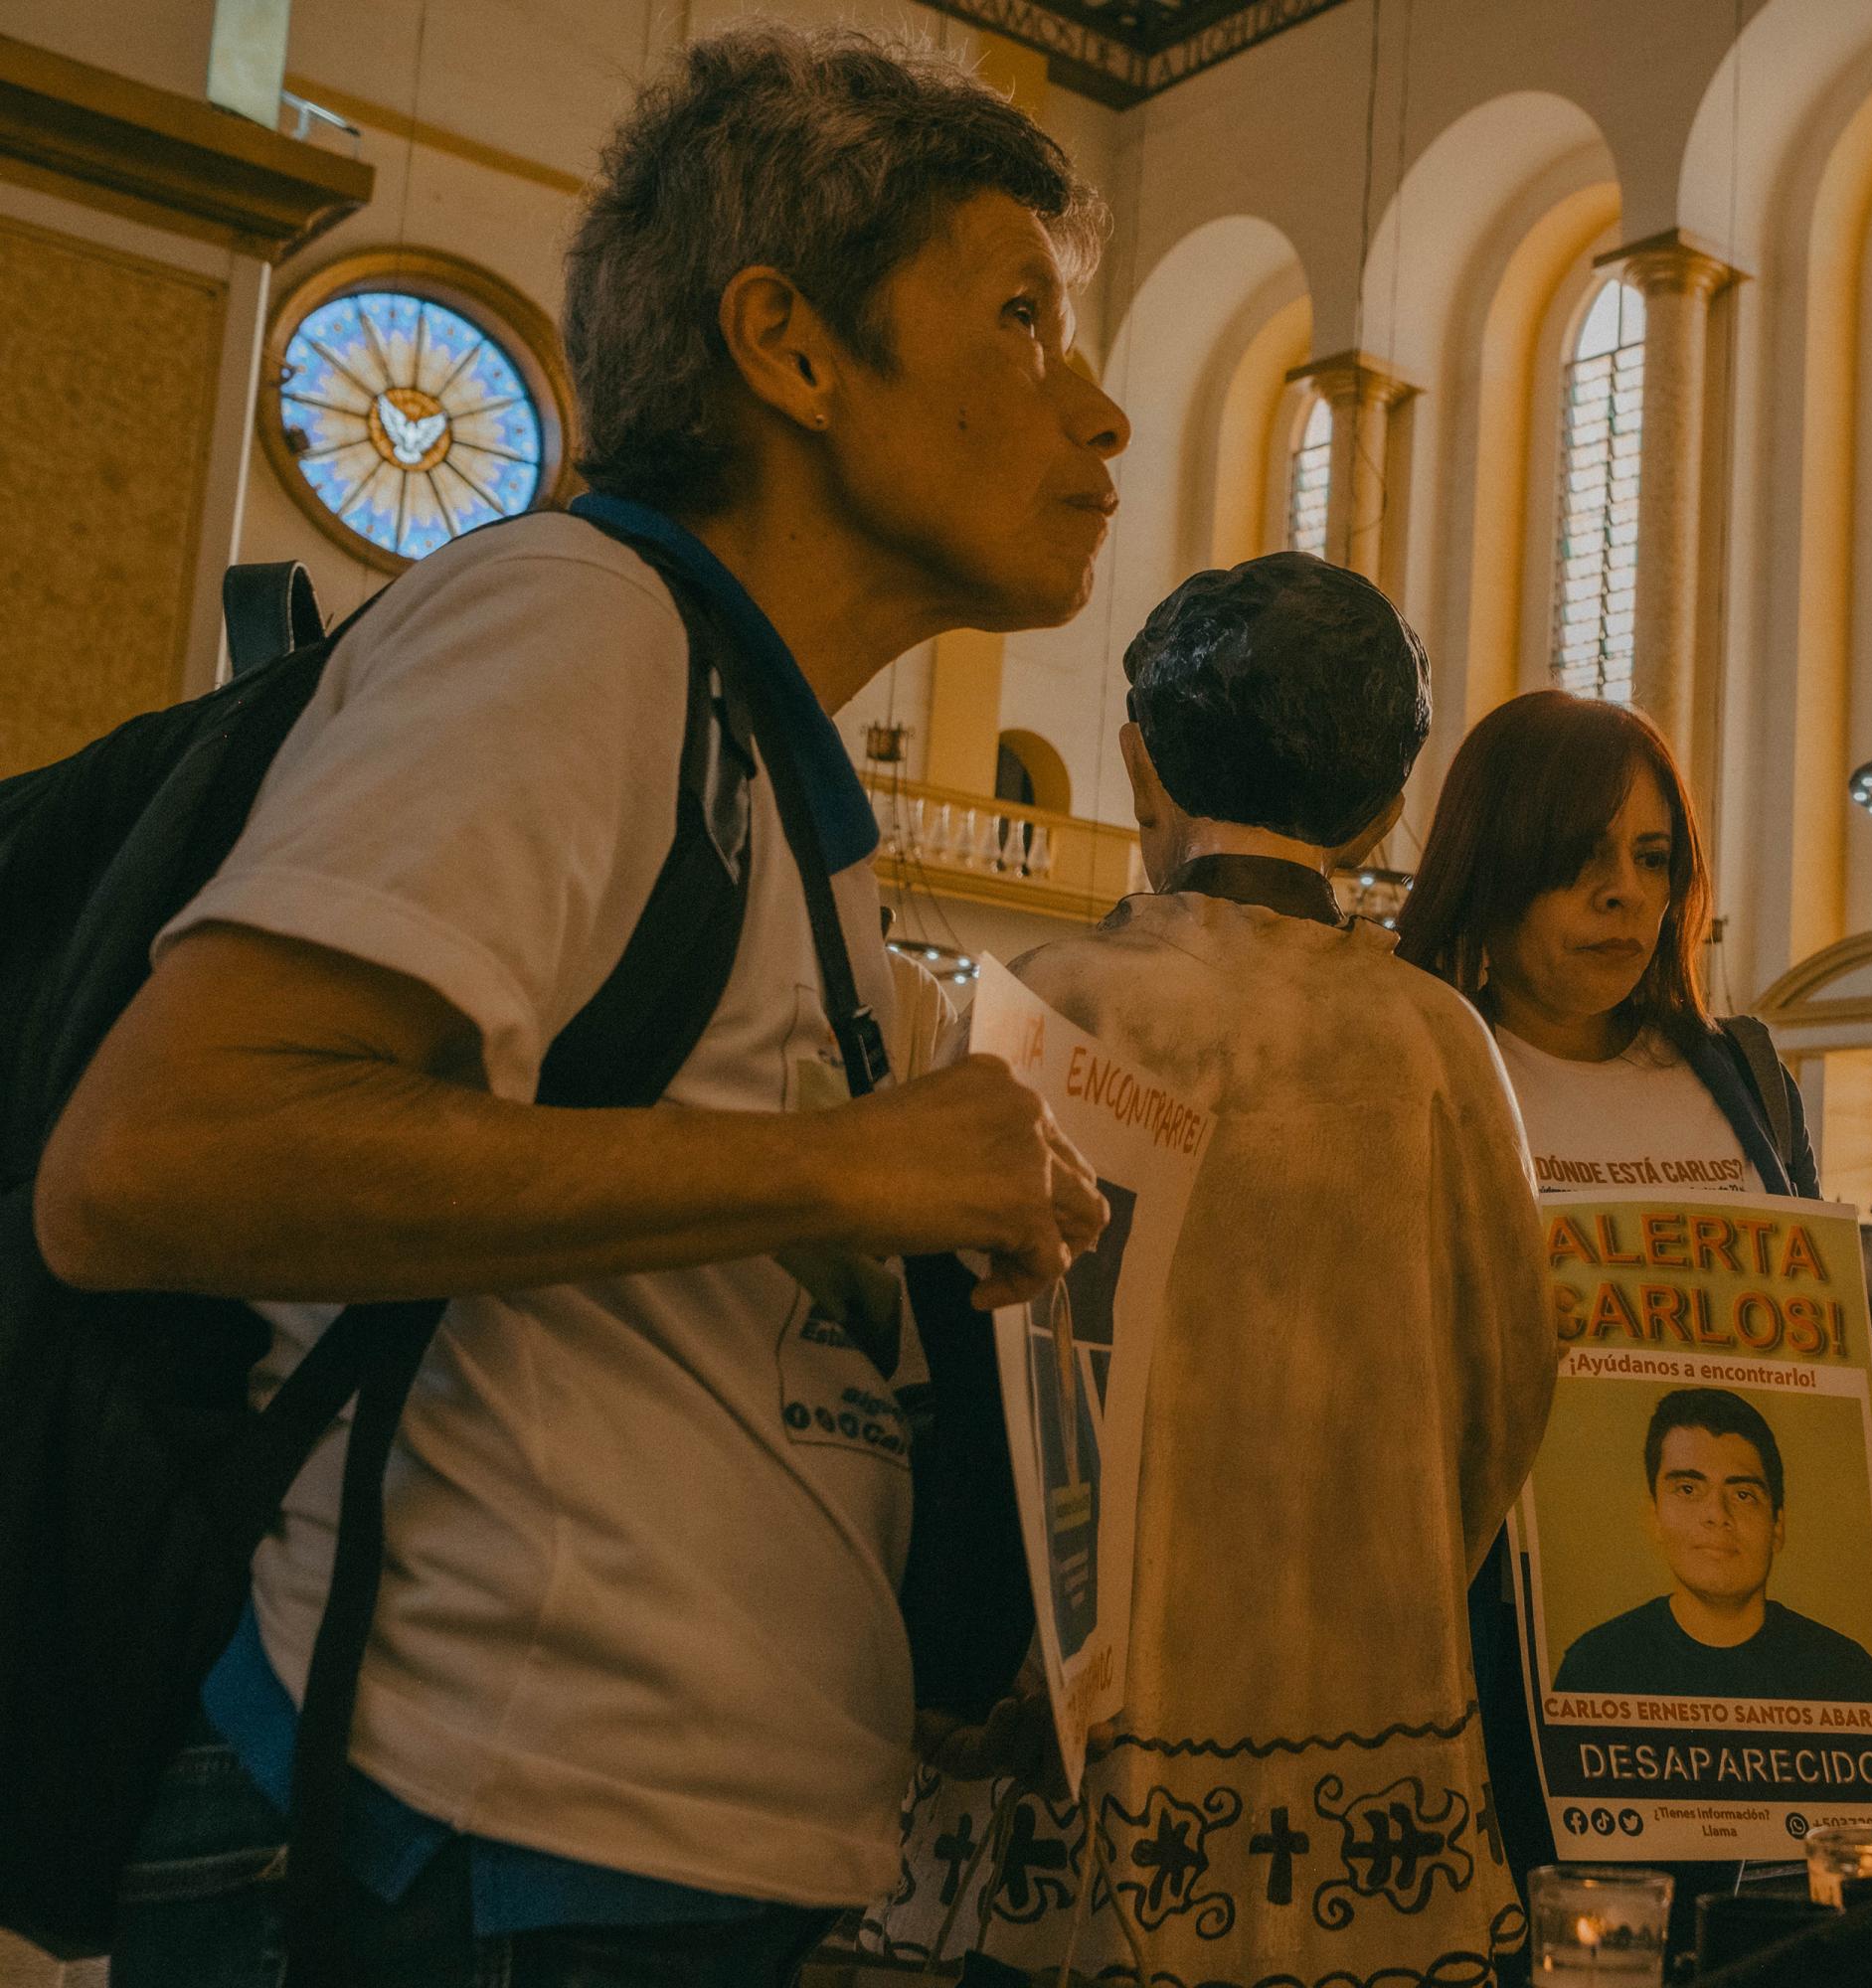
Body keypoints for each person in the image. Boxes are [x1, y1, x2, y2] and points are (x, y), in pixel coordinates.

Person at [33, 27, 1120, 1984]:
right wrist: (836, 1173)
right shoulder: (579, 622)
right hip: (447, 1854)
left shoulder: (774, 766)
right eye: (1026, 315)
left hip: (631, 1861)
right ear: (790, 346)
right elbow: (162, 1155)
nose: (1102, 411)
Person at [975, 553, 1554, 1985]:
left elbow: (974, 1365)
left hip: (1088, 1713)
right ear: (1382, 808)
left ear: (1138, 768)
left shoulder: (1061, 1002)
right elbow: (1510, 1376)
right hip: (1375, 1711)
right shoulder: (1437, 1043)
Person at [1396, 689, 1872, 1918]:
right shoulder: (1424, 1056)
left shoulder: (1734, 1069)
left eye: (1652, 860)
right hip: (1499, 1635)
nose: (1625, 897)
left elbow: (1818, 1319)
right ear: (1495, 864)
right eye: (1581, 860)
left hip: (1735, 1670)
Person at [1554, 1389, 1872, 1704]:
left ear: (1777, 1526)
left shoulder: (1847, 1675)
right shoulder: (1595, 1665)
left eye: (1743, 1495)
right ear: (1654, 1516)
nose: (1717, 1514)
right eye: (1687, 1489)